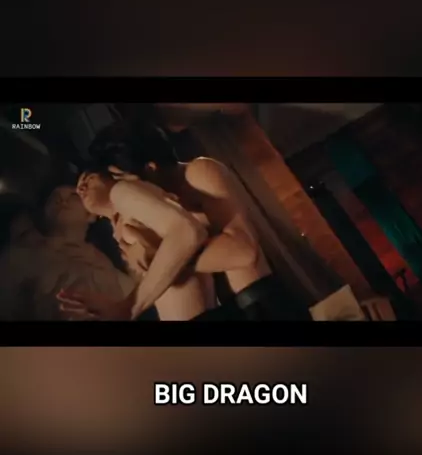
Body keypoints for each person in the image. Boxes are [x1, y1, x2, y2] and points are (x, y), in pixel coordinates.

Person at [86, 118, 313, 321]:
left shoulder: (199, 173)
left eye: (121, 178)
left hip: (260, 306)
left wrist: (162, 254)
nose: (125, 189)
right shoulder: (157, 207)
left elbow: (242, 251)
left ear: (151, 168)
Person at [57, 167, 217, 321]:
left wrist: (129, 308)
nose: (82, 188)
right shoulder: (119, 221)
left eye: (89, 179)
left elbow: (187, 232)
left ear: (114, 174)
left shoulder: (120, 191)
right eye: (78, 189)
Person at [0, 185, 133, 320]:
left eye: (74, 196)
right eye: (54, 198)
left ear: (91, 214)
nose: (62, 201)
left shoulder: (106, 266)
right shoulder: (20, 257)